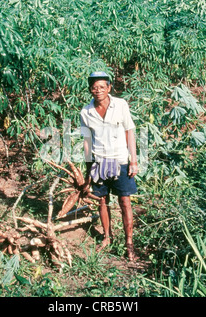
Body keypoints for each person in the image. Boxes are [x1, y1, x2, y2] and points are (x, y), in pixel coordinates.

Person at [80, 71, 138, 261]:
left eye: (102, 87)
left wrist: (134, 160)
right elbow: (87, 141)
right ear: (90, 90)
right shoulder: (85, 112)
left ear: (109, 88)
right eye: (95, 88)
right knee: (102, 201)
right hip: (99, 162)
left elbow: (130, 130)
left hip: (120, 160)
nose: (98, 91)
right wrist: (88, 170)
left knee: (124, 201)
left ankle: (129, 243)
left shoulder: (120, 105)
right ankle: (107, 237)